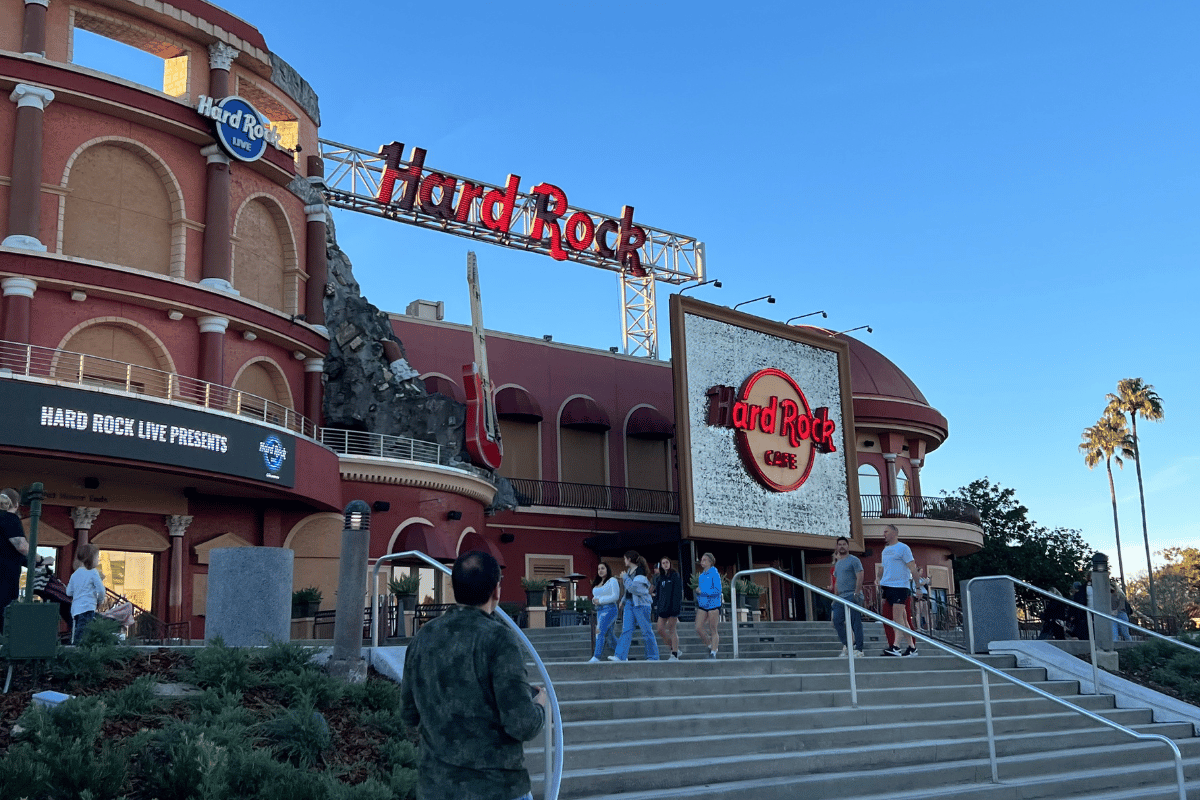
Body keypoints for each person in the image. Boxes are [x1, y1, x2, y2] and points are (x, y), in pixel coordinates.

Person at [400, 550, 546, 800]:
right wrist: (541, 704)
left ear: (454, 587)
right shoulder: (499, 640)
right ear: (496, 591)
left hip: (436, 787)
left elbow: (409, 716)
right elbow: (522, 724)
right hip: (496, 789)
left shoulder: (422, 638)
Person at [0, 487, 52, 634]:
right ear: (16, 505)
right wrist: (40, 558)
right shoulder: (9, 518)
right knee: (5, 616)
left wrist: (35, 563)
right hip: (5, 578)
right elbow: (21, 546)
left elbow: (10, 552)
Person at [879, 524, 920, 657]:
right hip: (888, 586)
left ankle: (896, 646)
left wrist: (918, 587)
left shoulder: (903, 548)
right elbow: (884, 567)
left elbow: (912, 567)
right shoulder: (885, 550)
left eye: (886, 531)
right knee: (903, 619)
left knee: (897, 618)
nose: (884, 534)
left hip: (900, 587)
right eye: (884, 532)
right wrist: (878, 579)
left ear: (894, 533)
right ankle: (912, 648)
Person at [610, 551, 659, 662]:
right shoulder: (629, 571)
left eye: (625, 558)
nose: (624, 561)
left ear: (629, 559)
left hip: (641, 604)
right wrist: (623, 600)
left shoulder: (640, 572)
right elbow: (628, 590)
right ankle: (620, 655)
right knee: (626, 629)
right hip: (629, 603)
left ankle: (653, 656)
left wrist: (625, 578)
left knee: (646, 630)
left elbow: (635, 589)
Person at [829, 536, 864, 656]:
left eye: (844, 544)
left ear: (848, 546)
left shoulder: (854, 560)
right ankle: (848, 645)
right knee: (836, 620)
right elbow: (837, 581)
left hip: (852, 594)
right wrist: (835, 597)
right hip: (841, 597)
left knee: (855, 622)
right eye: (840, 544)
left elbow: (860, 575)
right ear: (837, 547)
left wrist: (857, 593)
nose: (842, 546)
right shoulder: (838, 564)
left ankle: (859, 649)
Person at [66, 543, 106, 644]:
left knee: (78, 628)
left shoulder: (74, 574)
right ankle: (80, 648)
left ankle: (75, 644)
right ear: (90, 558)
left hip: (75, 608)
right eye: (97, 557)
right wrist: (99, 600)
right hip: (88, 606)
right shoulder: (93, 572)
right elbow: (101, 590)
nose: (98, 560)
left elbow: (68, 592)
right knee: (86, 630)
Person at [588, 561, 621, 662]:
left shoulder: (612, 580)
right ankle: (622, 654)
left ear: (607, 569)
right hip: (599, 609)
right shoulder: (598, 582)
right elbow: (597, 596)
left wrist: (600, 600)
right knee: (610, 635)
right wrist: (595, 600)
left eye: (602, 568)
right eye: (598, 569)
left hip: (609, 609)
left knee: (599, 631)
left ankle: (596, 656)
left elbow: (615, 596)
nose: (600, 571)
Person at [654, 557, 683, 660]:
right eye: (663, 563)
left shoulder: (675, 576)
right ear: (661, 565)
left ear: (670, 563)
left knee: (672, 630)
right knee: (660, 629)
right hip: (662, 608)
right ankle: (674, 648)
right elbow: (658, 594)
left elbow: (678, 593)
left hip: (673, 607)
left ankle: (674, 654)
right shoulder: (660, 578)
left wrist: (676, 608)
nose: (665, 564)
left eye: (667, 562)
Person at [694, 552, 722, 659]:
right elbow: (701, 591)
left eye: (705, 560)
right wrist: (699, 594)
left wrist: (703, 592)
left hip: (713, 604)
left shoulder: (715, 574)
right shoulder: (701, 576)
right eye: (701, 560)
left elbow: (717, 590)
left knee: (713, 628)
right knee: (698, 627)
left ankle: (713, 652)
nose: (702, 562)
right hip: (703, 604)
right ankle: (710, 645)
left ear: (710, 562)